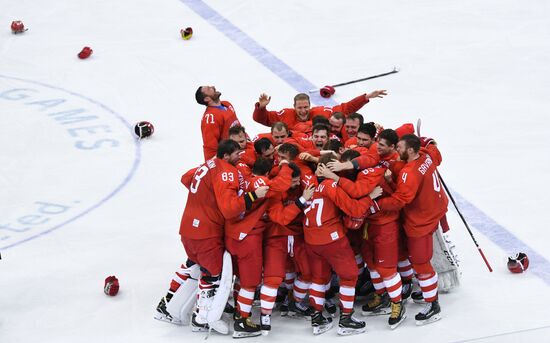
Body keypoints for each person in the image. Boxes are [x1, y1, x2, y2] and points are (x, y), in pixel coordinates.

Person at [155, 140, 269, 335]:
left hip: (188, 228)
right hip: (206, 233)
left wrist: (207, 197)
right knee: (213, 274)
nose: (239, 156)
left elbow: (186, 178)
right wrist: (253, 196)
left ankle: (167, 304)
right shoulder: (227, 171)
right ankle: (200, 318)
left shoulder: (209, 163)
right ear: (226, 156)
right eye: (236, 154)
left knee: (194, 265)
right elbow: (230, 209)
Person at [366, 134, 448, 326]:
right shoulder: (426, 154)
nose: (397, 151)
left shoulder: (409, 172)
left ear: (411, 150)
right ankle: (428, 291)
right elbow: (436, 151)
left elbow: (399, 200)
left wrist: (375, 203)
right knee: (416, 259)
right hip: (435, 210)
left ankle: (433, 305)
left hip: (421, 222)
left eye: (400, 148)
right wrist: (429, 141)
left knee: (420, 263)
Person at [303, 155, 381, 336]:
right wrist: (370, 197)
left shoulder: (309, 184)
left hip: (311, 240)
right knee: (349, 276)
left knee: (318, 278)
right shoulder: (330, 185)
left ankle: (317, 317)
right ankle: (346, 319)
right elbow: (353, 209)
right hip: (331, 239)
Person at [252, 91, 386, 130]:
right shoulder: (285, 115)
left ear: (310, 106)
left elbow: (346, 109)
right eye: (299, 108)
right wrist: (262, 107)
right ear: (294, 107)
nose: (303, 111)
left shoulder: (322, 112)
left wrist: (365, 97)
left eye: (306, 107)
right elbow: (263, 119)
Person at [195, 85, 242, 160]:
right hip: (233, 156)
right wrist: (216, 168)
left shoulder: (227, 104)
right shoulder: (210, 118)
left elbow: (238, 126)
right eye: (209, 89)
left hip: (243, 148)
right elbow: (210, 148)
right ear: (207, 98)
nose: (213, 87)